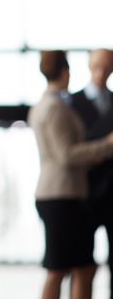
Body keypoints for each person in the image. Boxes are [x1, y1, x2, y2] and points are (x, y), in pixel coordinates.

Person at [28, 50, 113, 299]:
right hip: (60, 195)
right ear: (65, 72)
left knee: (79, 266)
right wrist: (108, 145)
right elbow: (66, 155)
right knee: (58, 269)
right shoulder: (54, 107)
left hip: (65, 195)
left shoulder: (49, 105)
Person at [71, 48, 113, 299]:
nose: (102, 72)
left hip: (112, 192)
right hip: (83, 191)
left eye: (107, 66)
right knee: (80, 261)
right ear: (88, 66)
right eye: (97, 65)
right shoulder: (72, 103)